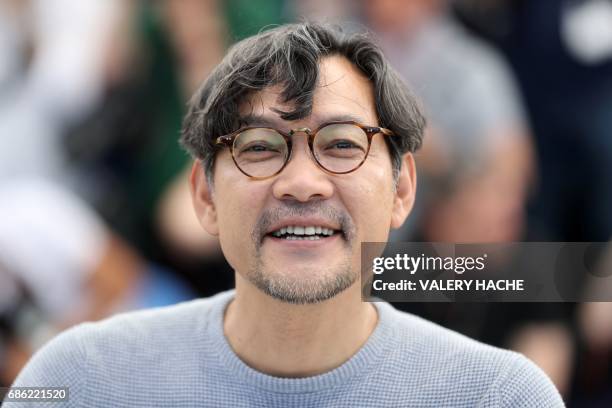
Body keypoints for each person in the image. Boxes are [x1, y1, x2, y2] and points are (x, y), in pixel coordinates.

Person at [5, 22, 564, 407]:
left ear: (402, 189)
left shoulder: (501, 396)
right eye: (259, 147)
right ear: (205, 196)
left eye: (343, 144)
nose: (301, 182)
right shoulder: (77, 382)